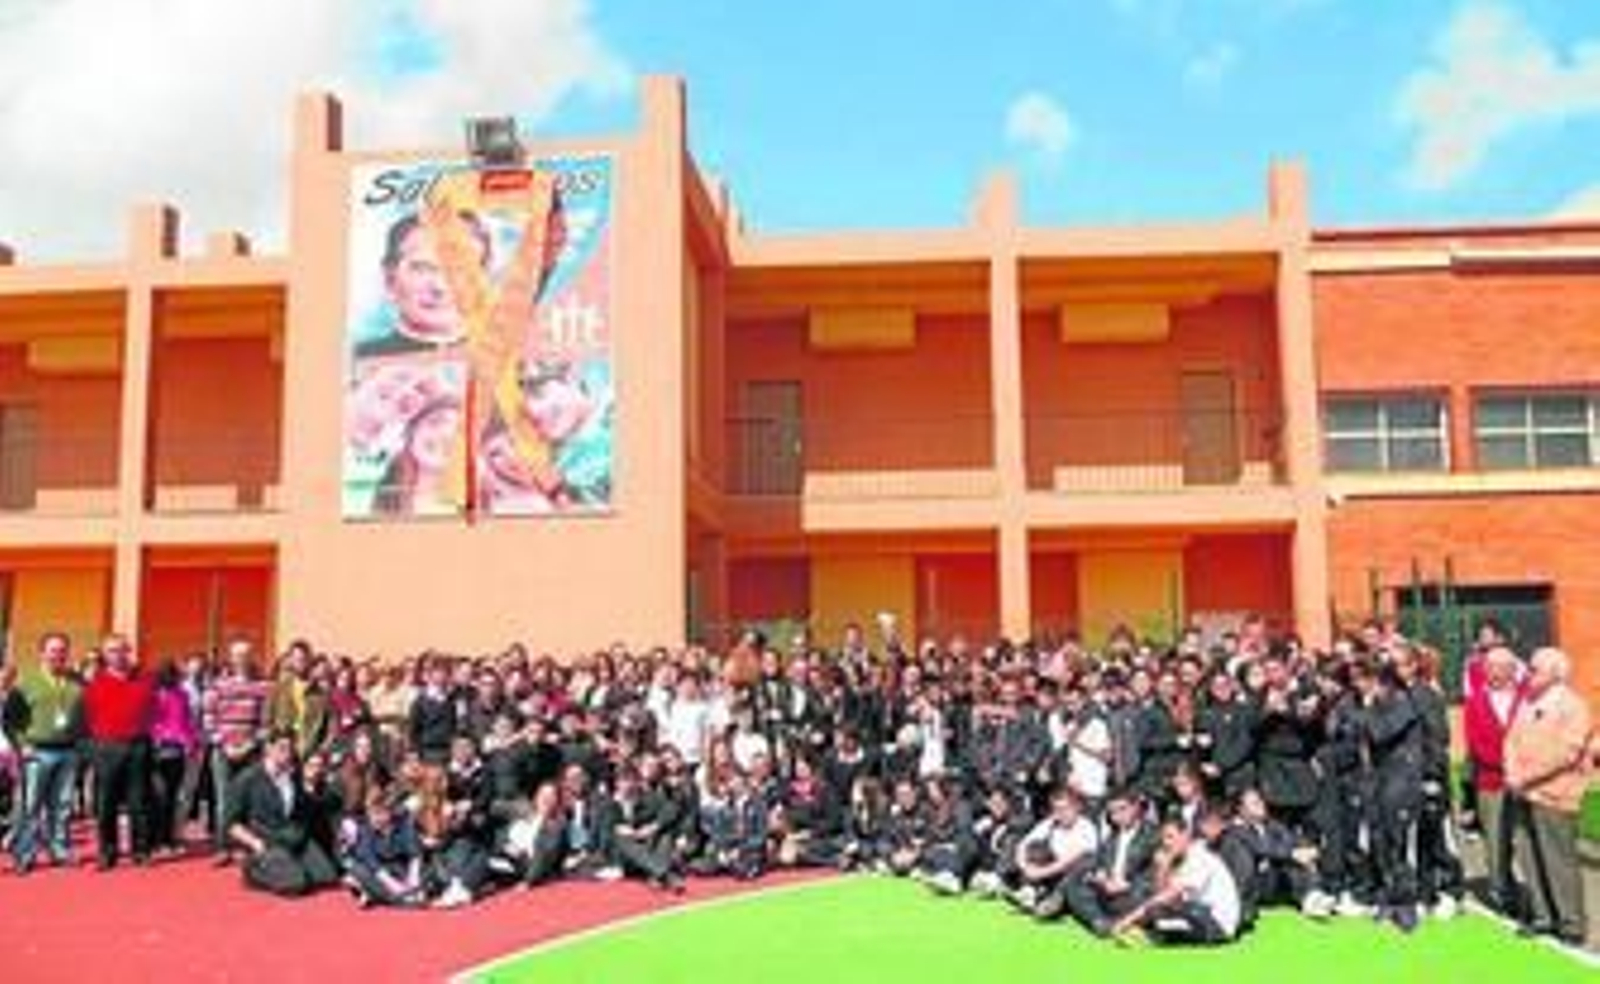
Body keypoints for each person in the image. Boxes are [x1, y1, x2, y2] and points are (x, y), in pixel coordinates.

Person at [1503, 647, 1593, 945]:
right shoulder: (1528, 701)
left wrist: (1526, 777)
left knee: (1558, 860)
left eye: (1535, 669)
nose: (1528, 673)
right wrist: (1512, 772)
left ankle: (1571, 923)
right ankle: (1543, 917)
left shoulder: (1573, 706)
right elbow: (1510, 740)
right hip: (1523, 791)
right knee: (1529, 856)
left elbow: (1566, 752)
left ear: (1556, 673)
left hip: (1554, 794)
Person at [354, 211, 489, 359]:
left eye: (459, 269)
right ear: (390, 279)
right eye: (422, 268)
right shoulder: (356, 359)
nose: (440, 287)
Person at [225, 728, 339, 898]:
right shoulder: (248, 778)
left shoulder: (293, 775)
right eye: (282, 748)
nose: (287, 753)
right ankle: (252, 870)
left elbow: (304, 806)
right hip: (267, 842)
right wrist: (255, 843)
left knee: (327, 876)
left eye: (290, 748)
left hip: (294, 839)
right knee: (295, 884)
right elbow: (231, 824)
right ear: (268, 748)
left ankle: (290, 866)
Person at [10, 632, 85, 874]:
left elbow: (86, 715)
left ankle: (59, 849)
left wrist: (82, 741)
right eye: (53, 650)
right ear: (42, 653)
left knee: (62, 805)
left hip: (69, 751)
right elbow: (10, 719)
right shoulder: (26, 682)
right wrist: (22, 744)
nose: (58, 655)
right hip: (36, 752)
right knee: (30, 805)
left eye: (62, 650)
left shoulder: (77, 682)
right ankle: (25, 853)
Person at [82, 634, 157, 870]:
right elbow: (87, 719)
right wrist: (93, 750)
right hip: (107, 747)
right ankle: (107, 852)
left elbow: (154, 711)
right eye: (112, 651)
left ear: (129, 652)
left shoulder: (145, 680)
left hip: (138, 746)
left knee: (139, 802)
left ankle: (141, 851)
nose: (118, 655)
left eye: (122, 650)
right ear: (105, 655)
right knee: (106, 803)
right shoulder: (94, 684)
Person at [1110, 819, 1243, 946]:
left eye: (1170, 837)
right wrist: (1163, 868)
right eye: (1163, 838)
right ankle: (1148, 934)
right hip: (1199, 915)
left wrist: (1127, 920)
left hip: (1217, 925)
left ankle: (1148, 936)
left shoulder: (1199, 857)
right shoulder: (1185, 858)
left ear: (1186, 835)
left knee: (1162, 909)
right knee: (1157, 909)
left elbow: (1167, 896)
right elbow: (1161, 894)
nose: (1166, 843)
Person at [1462, 645, 1524, 914]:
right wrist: (1506, 768)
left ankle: (1534, 895)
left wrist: (1522, 770)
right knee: (1496, 841)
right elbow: (1477, 744)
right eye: (1489, 667)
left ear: (1512, 669)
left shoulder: (1526, 698)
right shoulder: (1475, 702)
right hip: (1491, 781)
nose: (1494, 672)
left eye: (1500, 667)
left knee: (1526, 842)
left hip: (1528, 781)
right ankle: (1502, 893)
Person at [202, 638, 271, 864]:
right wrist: (224, 744)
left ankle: (245, 846)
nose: (242, 658)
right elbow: (208, 717)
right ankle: (223, 847)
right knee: (223, 800)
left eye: (246, 654)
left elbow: (265, 722)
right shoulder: (216, 685)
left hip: (251, 750)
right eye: (237, 654)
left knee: (249, 800)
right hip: (223, 751)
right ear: (231, 658)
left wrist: (251, 744)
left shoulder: (262, 686)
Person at [372, 394, 465, 516]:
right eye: (435, 422)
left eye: (459, 430)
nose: (446, 434)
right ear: (412, 432)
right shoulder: (384, 493)